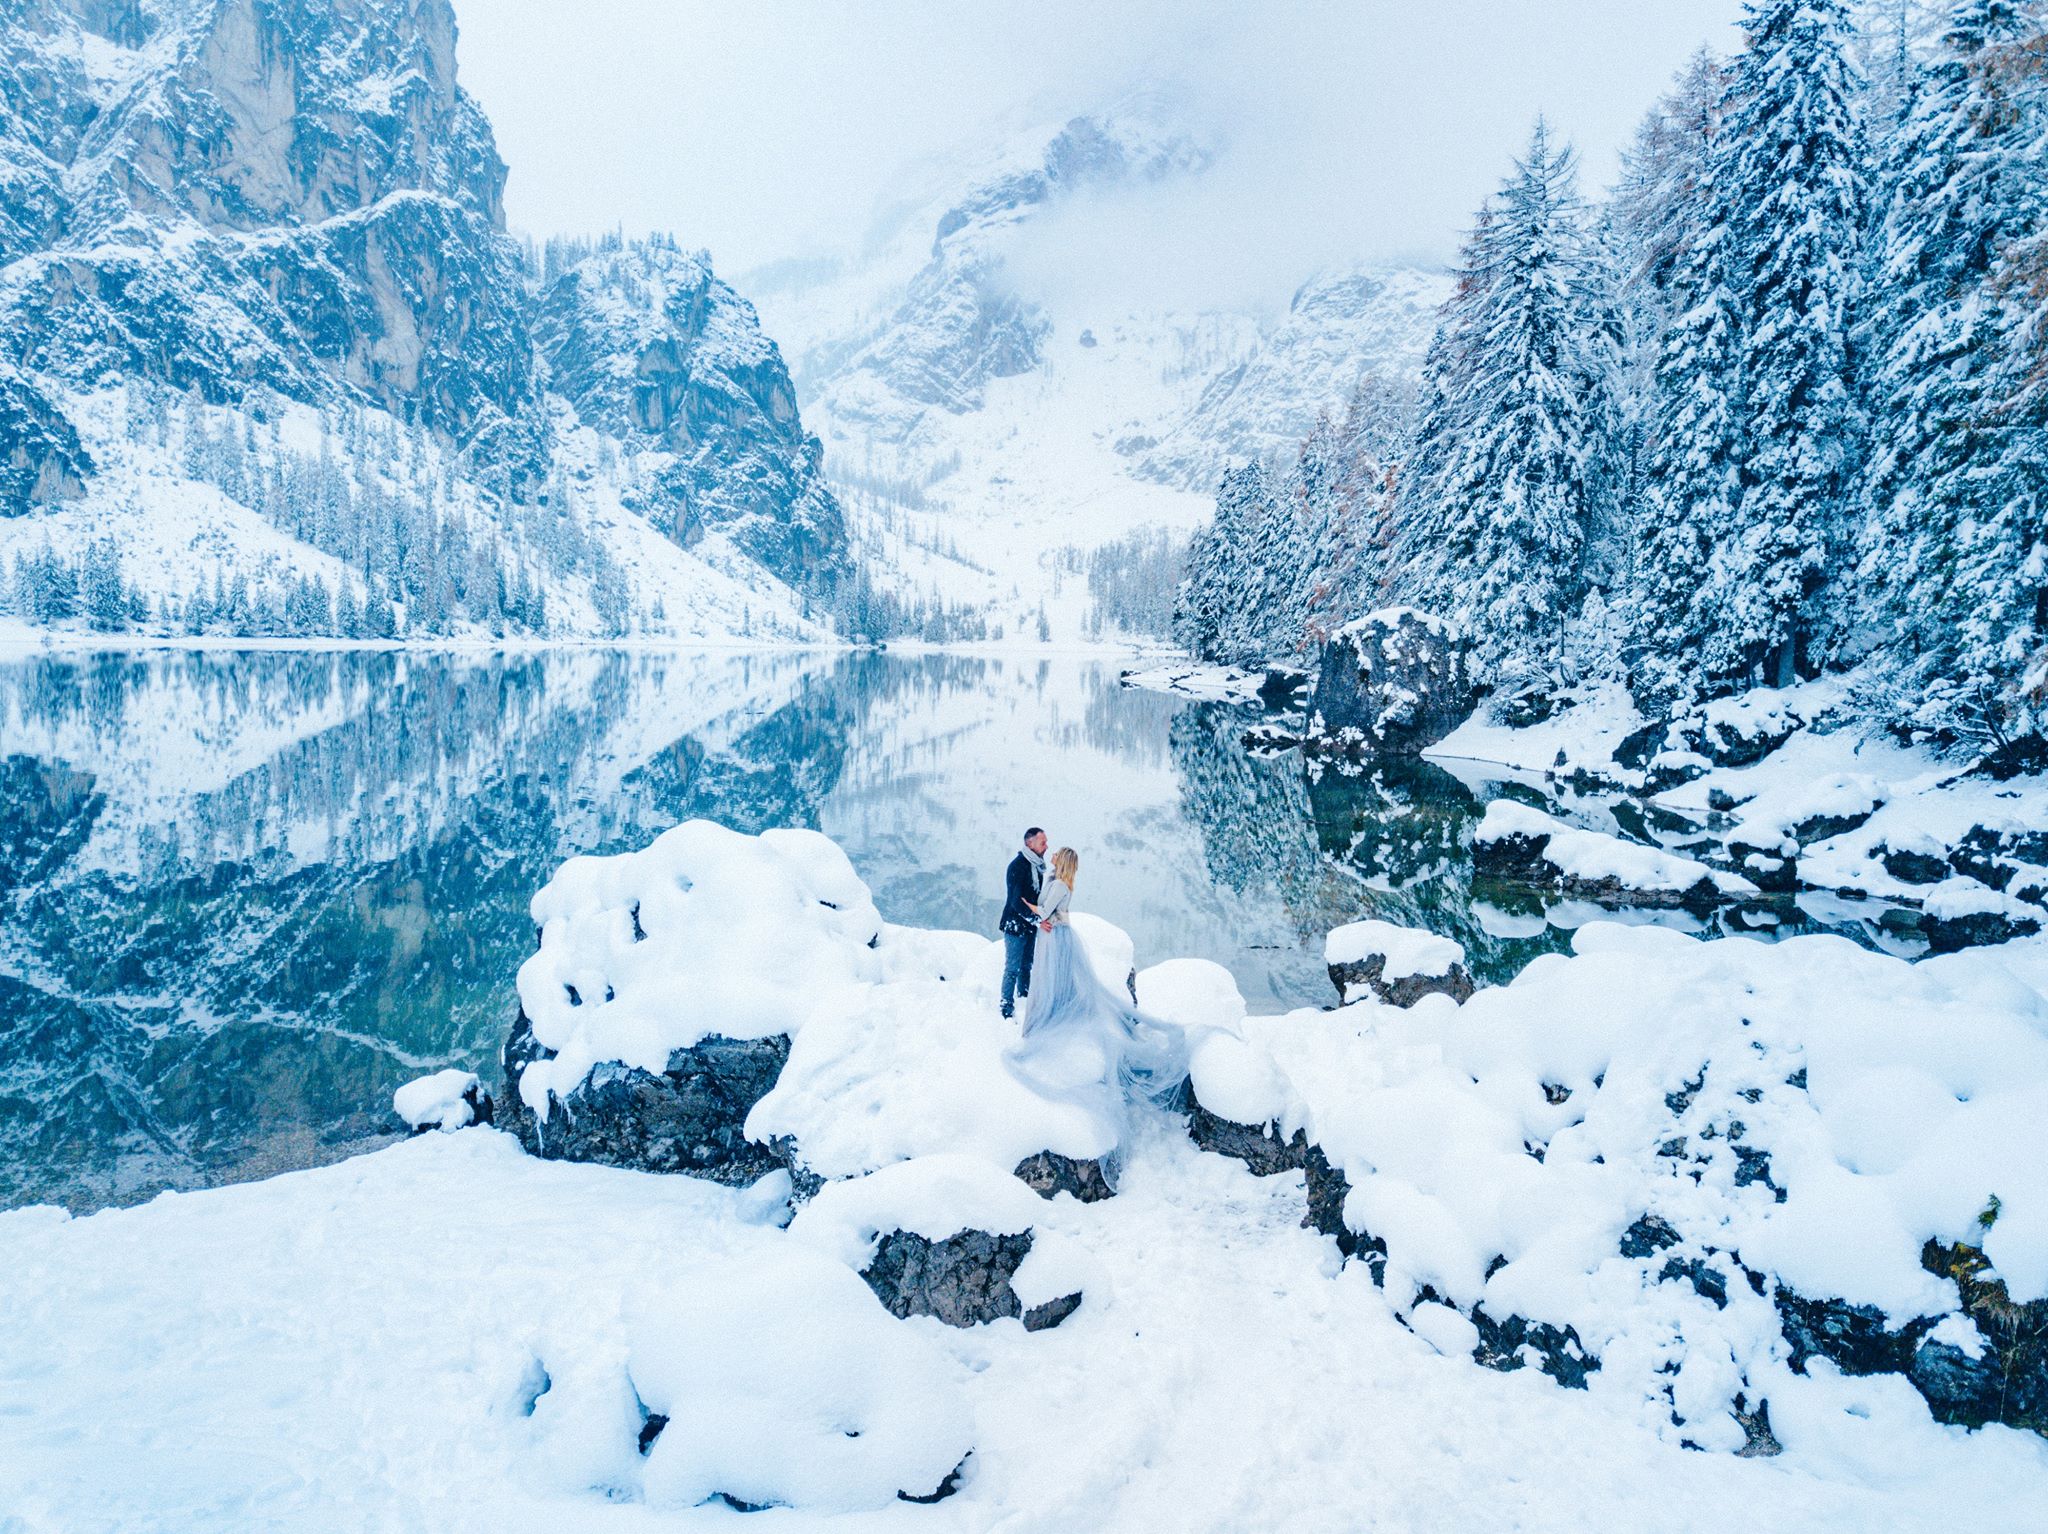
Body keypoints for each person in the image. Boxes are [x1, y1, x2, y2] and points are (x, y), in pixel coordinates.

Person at [1006, 847, 1188, 1150]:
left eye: (1057, 854)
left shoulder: (1060, 884)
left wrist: (1023, 903)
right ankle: (1043, 1018)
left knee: (1051, 980)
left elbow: (1045, 910)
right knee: (1044, 980)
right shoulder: (1055, 879)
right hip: (1050, 935)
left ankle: (1047, 1019)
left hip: (1056, 937)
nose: (1052, 855)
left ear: (1063, 861)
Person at [998, 827, 1048, 1019]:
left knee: (1026, 965)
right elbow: (1015, 901)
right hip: (1015, 925)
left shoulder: (1036, 867)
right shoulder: (1017, 866)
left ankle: (1024, 999)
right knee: (1012, 968)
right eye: (1042, 842)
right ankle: (1006, 1007)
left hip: (1029, 926)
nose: (1046, 846)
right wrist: (1036, 920)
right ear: (1029, 843)